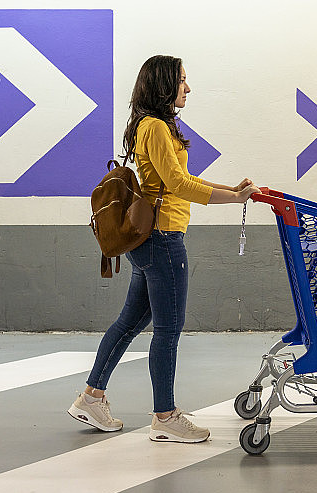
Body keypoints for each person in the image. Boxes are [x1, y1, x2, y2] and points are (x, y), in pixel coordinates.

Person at [68, 55, 261, 443]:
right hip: (163, 240)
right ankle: (165, 416)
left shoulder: (155, 125)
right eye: (182, 81)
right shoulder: (155, 127)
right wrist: (232, 200)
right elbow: (178, 185)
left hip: (150, 242)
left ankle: (91, 396)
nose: (188, 88)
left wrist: (233, 192)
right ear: (164, 85)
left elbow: (182, 176)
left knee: (130, 323)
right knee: (168, 331)